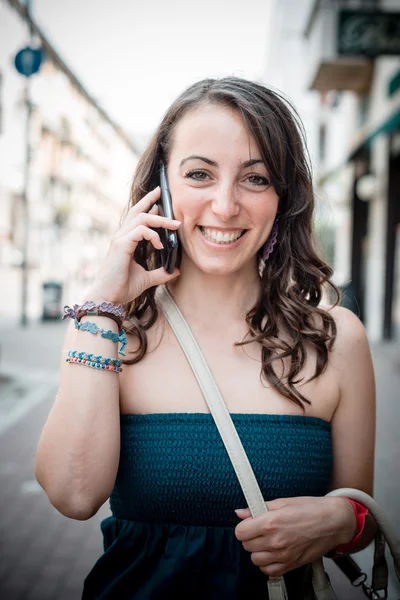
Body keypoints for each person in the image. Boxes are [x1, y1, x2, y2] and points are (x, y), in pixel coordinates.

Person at [35, 76, 377, 599]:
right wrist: (104, 302)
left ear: (284, 197)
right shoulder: (105, 332)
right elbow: (73, 495)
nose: (224, 205)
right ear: (162, 188)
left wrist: (339, 521)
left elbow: (359, 519)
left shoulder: (336, 340)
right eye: (199, 174)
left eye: (255, 179)